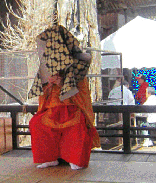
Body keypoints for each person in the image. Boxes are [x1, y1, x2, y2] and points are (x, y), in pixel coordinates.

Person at [27, 25, 101, 170]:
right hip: (51, 109)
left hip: (72, 108)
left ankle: (75, 159)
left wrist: (62, 84)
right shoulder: (46, 67)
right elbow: (43, 95)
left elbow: (81, 93)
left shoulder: (77, 66)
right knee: (37, 123)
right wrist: (48, 85)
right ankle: (50, 158)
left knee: (78, 126)